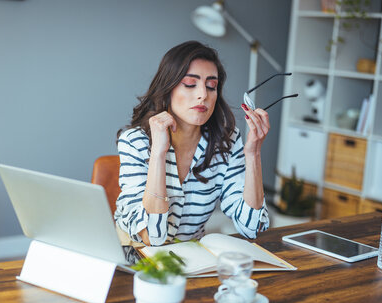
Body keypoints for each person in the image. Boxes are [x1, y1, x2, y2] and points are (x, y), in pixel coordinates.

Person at [114, 41, 270, 249]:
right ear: (168, 88)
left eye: (211, 86)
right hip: (133, 254)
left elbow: (251, 227)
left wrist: (253, 155)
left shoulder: (227, 142)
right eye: (190, 84)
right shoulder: (135, 142)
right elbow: (152, 236)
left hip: (190, 261)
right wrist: (159, 155)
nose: (203, 95)